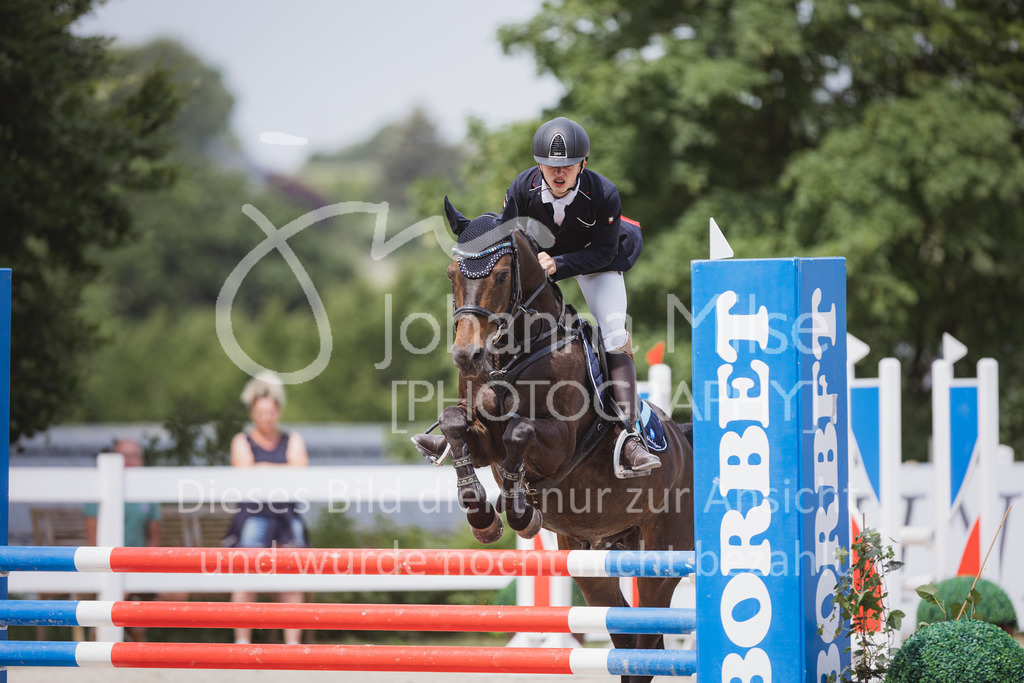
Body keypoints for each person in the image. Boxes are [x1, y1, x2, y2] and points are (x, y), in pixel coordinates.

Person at [414, 116, 659, 473]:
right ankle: (466, 428)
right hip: (541, 264)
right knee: (495, 326)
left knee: (613, 331)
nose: (558, 174)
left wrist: (559, 264)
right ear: (539, 164)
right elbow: (507, 237)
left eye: (567, 166)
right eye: (550, 165)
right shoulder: (522, 188)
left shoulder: (604, 194)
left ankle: (629, 436)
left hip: (595, 261)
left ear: (583, 164)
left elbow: (604, 253)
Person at [223, 371, 309, 646]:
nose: (266, 417)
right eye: (261, 412)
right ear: (252, 413)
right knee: (246, 579)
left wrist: (263, 469)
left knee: (292, 580)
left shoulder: (291, 438)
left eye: (270, 412)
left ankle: (292, 646)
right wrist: (282, 470)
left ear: (278, 412)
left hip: (286, 517)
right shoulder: (241, 440)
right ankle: (242, 643)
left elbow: (301, 472)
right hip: (254, 517)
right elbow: (246, 474)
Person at [83, 437, 162, 641]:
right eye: (123, 456)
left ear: (141, 460)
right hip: (107, 563)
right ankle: (106, 640)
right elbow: (93, 541)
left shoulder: (148, 493)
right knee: (118, 590)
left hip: (140, 564)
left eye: (134, 456)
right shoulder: (98, 490)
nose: (128, 461)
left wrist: (144, 568)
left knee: (175, 593)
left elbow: (154, 540)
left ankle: (135, 641)